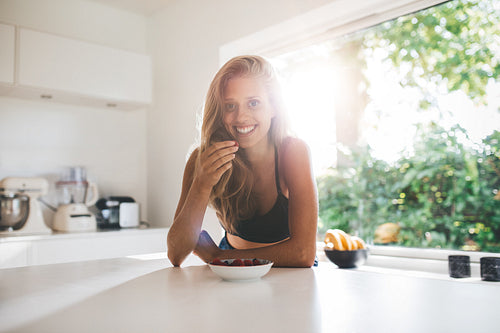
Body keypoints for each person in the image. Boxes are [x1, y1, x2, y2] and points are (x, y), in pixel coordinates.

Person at [167, 55, 318, 267]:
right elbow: (176, 254)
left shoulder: (293, 152)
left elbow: (303, 254)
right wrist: (201, 184)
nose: (241, 117)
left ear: (274, 106)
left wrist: (217, 256)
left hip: (286, 266)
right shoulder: (201, 160)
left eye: (253, 103)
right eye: (230, 106)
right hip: (231, 262)